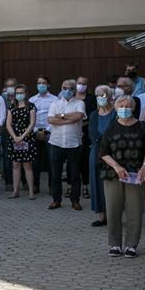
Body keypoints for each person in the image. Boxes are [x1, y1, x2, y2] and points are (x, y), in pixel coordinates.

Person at [98, 96, 145, 258]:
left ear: (133, 107)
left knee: (135, 211)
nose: (124, 108)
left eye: (128, 105)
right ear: (116, 108)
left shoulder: (142, 126)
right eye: (121, 105)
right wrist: (116, 166)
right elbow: (103, 152)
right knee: (113, 210)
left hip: (136, 175)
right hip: (113, 175)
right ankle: (115, 244)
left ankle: (131, 245)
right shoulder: (112, 127)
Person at [47, 79, 85, 210]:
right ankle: (56, 200)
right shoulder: (54, 104)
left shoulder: (80, 103)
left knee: (74, 174)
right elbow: (51, 119)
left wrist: (61, 116)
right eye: (64, 88)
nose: (67, 91)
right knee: (55, 174)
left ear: (74, 90)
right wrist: (68, 119)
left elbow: (78, 116)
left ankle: (75, 200)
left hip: (74, 143)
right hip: (56, 142)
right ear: (61, 89)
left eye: (70, 88)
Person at [88, 85, 115, 227]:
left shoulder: (116, 113)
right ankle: (101, 216)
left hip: (113, 153)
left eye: (103, 95)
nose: (101, 98)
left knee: (111, 184)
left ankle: (112, 215)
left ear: (110, 97)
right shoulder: (93, 115)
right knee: (96, 183)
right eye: (98, 95)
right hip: (96, 152)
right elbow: (92, 134)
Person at [5, 84, 37, 199]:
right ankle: (15, 191)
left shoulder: (31, 106)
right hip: (14, 138)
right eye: (17, 93)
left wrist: (22, 137)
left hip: (26, 138)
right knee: (15, 165)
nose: (19, 95)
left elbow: (32, 123)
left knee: (27, 165)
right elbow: (8, 124)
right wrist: (15, 137)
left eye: (21, 93)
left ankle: (31, 192)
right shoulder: (11, 107)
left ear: (26, 93)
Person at [29, 76, 58, 194]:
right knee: (35, 160)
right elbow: (30, 118)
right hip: (35, 132)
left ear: (48, 85)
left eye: (44, 83)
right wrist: (36, 130)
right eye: (39, 83)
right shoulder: (31, 100)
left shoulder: (55, 99)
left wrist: (46, 130)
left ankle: (52, 186)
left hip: (50, 132)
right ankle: (35, 185)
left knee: (52, 160)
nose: (41, 85)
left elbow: (56, 116)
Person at [75, 76, 96, 200]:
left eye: (84, 83)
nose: (81, 85)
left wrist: (80, 123)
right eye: (79, 83)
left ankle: (85, 187)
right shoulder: (71, 98)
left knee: (84, 161)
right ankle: (71, 186)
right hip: (72, 133)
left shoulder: (91, 99)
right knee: (72, 161)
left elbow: (92, 116)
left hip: (86, 133)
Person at [0, 77, 18, 191]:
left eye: (12, 86)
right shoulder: (2, 100)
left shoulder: (21, 99)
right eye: (8, 86)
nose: (10, 88)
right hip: (6, 132)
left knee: (21, 157)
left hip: (20, 132)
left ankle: (24, 181)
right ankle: (9, 182)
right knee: (7, 158)